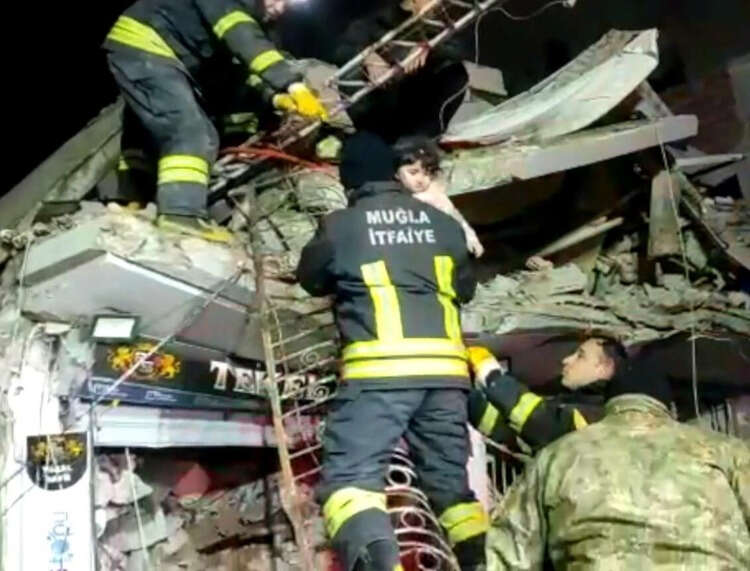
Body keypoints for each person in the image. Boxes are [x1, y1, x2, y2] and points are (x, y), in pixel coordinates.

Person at [297, 132, 487, 571]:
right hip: (447, 379)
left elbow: (311, 279)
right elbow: (465, 290)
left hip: (379, 375)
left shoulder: (341, 225)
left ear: (350, 181)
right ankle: (483, 561)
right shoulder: (444, 224)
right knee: (451, 490)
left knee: (351, 484)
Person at [485, 358, 750, 570]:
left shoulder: (556, 456)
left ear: (609, 403)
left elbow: (507, 557)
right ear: (669, 408)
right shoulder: (727, 451)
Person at [103, 0, 328, 242]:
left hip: (155, 47)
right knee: (191, 132)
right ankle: (181, 214)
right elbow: (245, 41)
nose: (281, 8)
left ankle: (131, 198)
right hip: (147, 42)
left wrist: (277, 99)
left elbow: (238, 69)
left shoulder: (243, 15)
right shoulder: (232, 6)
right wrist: (293, 86)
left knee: (151, 131)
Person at [331, 0, 469, 142]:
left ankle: (419, 140)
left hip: (411, 102)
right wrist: (367, 55)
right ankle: (367, 135)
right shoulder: (383, 16)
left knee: (457, 73)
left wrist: (428, 47)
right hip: (376, 104)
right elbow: (343, 48)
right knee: (352, 67)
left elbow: (458, 50)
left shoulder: (439, 21)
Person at [466, 338, 622, 451]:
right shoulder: (570, 404)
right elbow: (509, 434)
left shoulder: (597, 417)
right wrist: (466, 396)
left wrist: (491, 374)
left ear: (604, 368)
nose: (566, 360)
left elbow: (537, 420)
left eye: (581, 356)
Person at [394, 136, 484, 258]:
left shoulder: (434, 194)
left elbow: (455, 217)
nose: (420, 179)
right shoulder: (392, 194)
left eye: (427, 173)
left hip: (438, 248)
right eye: (413, 173)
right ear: (397, 173)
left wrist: (471, 238)